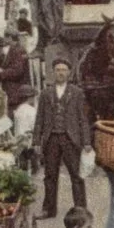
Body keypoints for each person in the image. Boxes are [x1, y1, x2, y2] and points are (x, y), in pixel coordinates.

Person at [32, 53, 91, 217]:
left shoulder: (77, 93)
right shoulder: (45, 93)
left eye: (64, 70)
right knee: (50, 176)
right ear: (53, 72)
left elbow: (83, 119)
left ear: (69, 73)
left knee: (76, 176)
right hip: (51, 138)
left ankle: (80, 210)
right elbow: (39, 118)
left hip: (70, 138)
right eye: (58, 70)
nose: (60, 73)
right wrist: (36, 141)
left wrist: (87, 141)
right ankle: (48, 209)